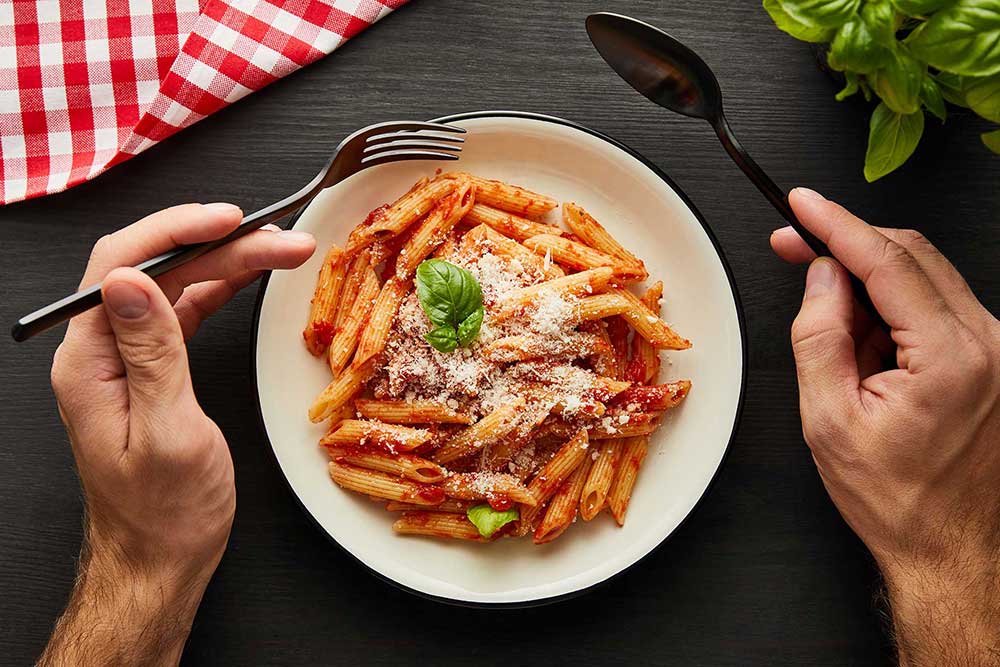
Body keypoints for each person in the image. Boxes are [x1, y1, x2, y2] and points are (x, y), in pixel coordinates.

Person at [38, 191, 998, 665]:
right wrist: (945, 549)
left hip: (543, 427)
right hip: (460, 441)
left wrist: (143, 568)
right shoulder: (400, 324)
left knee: (550, 382)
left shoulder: (593, 336)